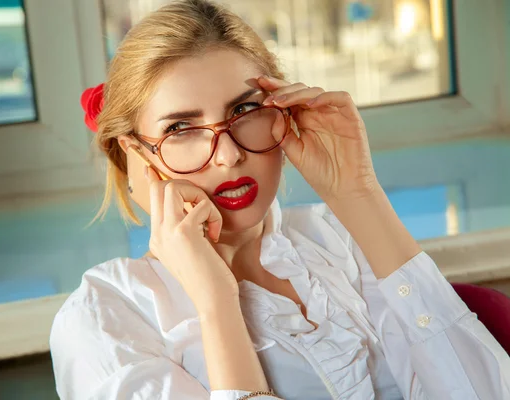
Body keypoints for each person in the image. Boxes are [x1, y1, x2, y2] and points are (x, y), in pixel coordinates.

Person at [49, 1, 510, 399]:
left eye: (245, 111)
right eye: (180, 129)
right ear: (137, 154)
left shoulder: (335, 238)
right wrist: (216, 302)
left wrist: (360, 195)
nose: (229, 155)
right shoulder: (105, 317)